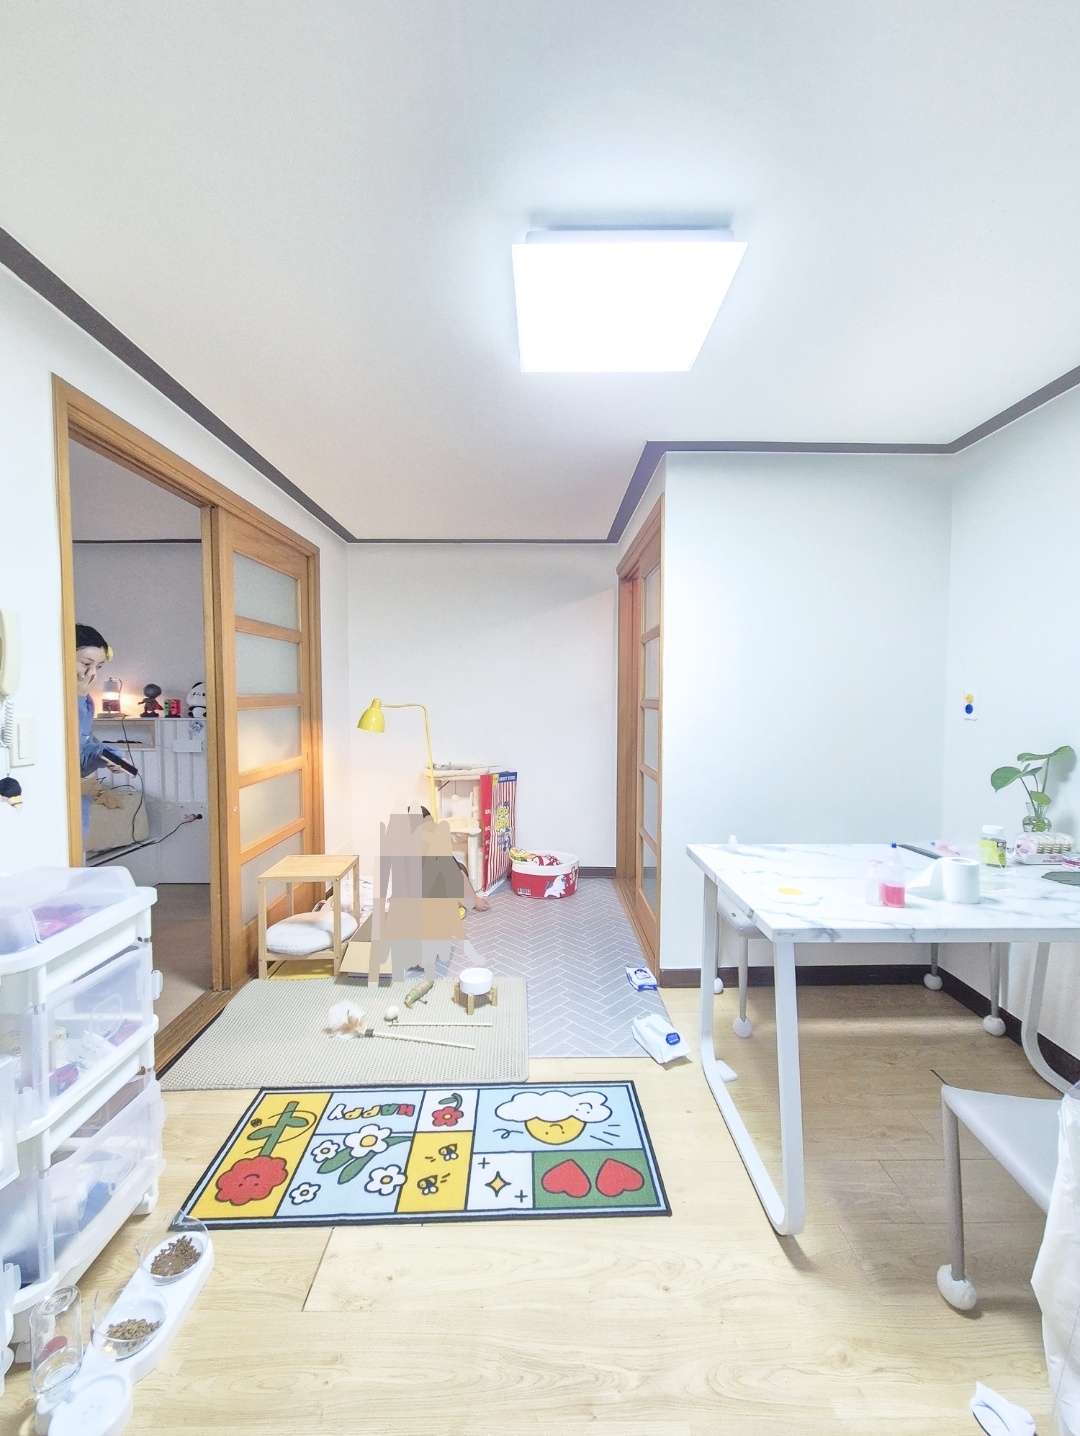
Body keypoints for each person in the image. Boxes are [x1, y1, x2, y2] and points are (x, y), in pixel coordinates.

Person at [75, 624, 123, 838]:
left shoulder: (86, 702)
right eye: (86, 664)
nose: (91, 674)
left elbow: (79, 757)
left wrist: (104, 755)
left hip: (74, 796)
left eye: (99, 667)